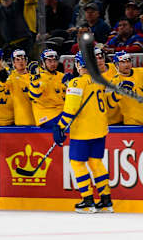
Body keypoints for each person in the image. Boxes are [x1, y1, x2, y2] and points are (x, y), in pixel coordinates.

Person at [53, 51, 114, 213]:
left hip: (83, 131)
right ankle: (106, 200)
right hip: (100, 129)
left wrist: (59, 127)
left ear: (79, 65)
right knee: (96, 162)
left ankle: (88, 200)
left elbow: (70, 110)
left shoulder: (76, 83)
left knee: (77, 163)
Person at [111, 51, 143, 125]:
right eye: (123, 62)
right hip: (133, 124)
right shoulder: (115, 82)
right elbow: (111, 104)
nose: (127, 64)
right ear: (116, 64)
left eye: (128, 61)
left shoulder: (142, 72)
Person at [28, 49, 65, 128]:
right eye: (49, 61)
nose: (53, 64)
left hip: (60, 112)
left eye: (55, 61)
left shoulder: (61, 76)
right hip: (46, 116)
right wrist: (35, 80)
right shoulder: (38, 76)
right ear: (43, 63)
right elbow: (34, 95)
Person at [6, 49, 35, 126]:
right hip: (21, 120)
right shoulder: (10, 77)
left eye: (23, 59)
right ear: (13, 63)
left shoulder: (34, 75)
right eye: (17, 59)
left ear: (26, 61)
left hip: (37, 118)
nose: (21, 61)